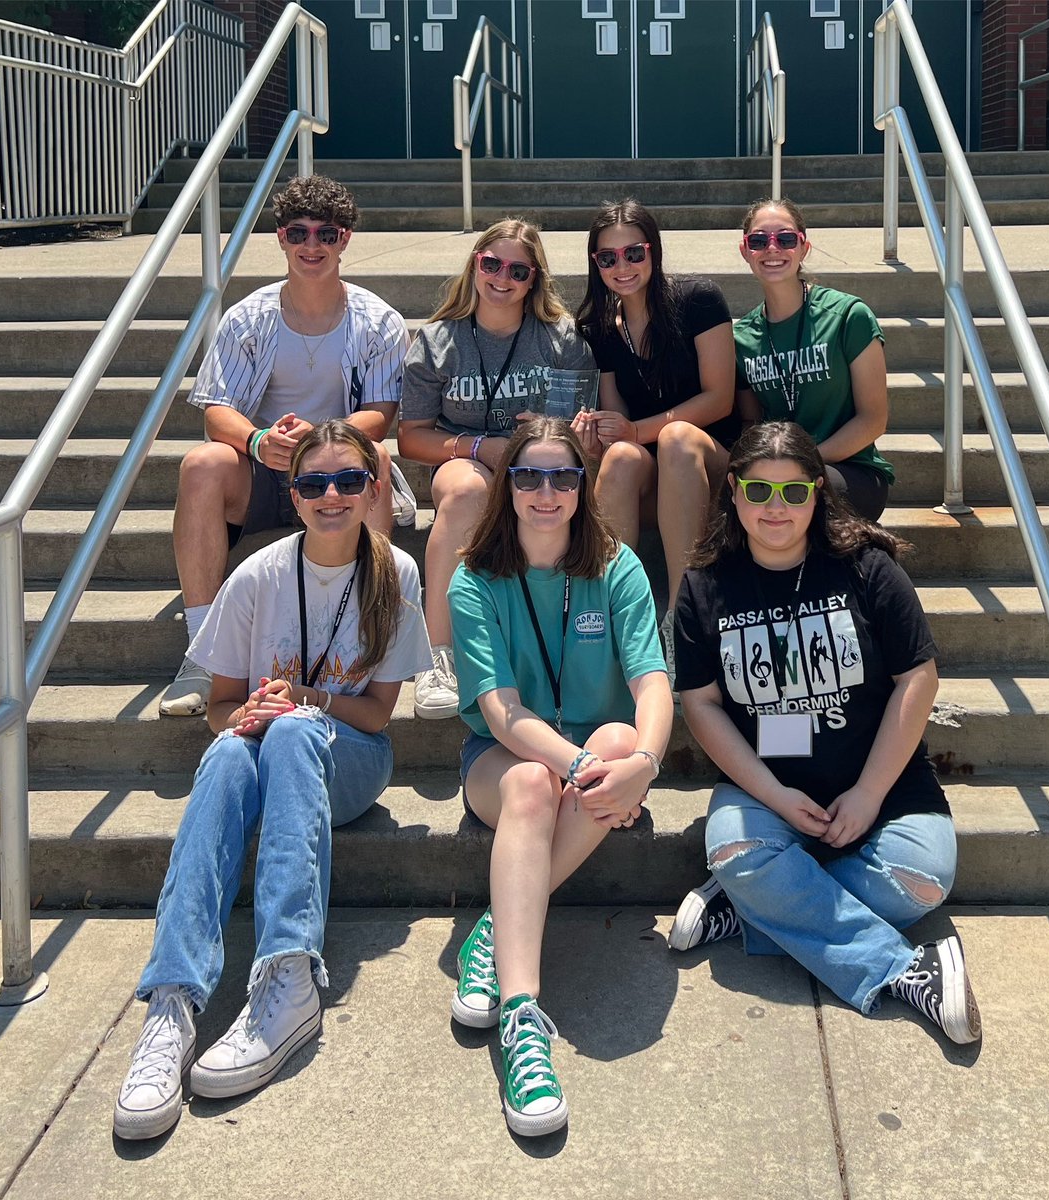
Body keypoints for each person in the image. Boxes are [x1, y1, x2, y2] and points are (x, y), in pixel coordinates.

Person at [113, 421, 431, 1141]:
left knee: (290, 731)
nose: (331, 495)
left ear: (373, 488)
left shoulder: (393, 573)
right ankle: (172, 1002)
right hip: (266, 757)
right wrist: (246, 711)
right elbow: (219, 708)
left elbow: (380, 717)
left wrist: (303, 703)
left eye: (349, 481)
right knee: (228, 753)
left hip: (350, 762)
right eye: (314, 482)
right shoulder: (256, 575)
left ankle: (288, 972)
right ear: (291, 495)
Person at [668, 421, 980, 1047]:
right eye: (759, 492)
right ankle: (905, 968)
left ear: (817, 491)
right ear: (733, 492)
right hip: (767, 782)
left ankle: (755, 905)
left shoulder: (868, 569)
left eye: (793, 492)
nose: (775, 509)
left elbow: (918, 680)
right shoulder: (704, 585)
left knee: (924, 879)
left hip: (879, 775)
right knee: (735, 850)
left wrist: (868, 793)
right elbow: (700, 705)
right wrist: (775, 796)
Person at [447, 417, 672, 1136]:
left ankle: (497, 925)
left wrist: (644, 764)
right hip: (503, 762)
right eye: (529, 476)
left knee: (617, 734)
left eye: (563, 476)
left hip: (599, 759)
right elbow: (501, 711)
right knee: (533, 783)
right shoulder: (474, 578)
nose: (547, 492)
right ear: (507, 485)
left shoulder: (617, 566)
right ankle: (522, 1019)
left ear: (582, 486)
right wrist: (576, 764)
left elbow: (653, 682)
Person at [161, 175, 414, 718]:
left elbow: (382, 413)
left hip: (336, 469)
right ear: (280, 238)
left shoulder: (379, 322)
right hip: (265, 468)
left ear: (345, 239)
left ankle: (369, 637)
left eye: (327, 233)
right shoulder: (248, 316)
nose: (312, 245)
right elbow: (215, 408)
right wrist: (257, 439)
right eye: (298, 232)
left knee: (380, 457)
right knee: (203, 462)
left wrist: (325, 442)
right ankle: (204, 655)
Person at [398, 219, 596, 721]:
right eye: (491, 264)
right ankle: (437, 657)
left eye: (517, 269)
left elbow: (579, 426)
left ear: (534, 279)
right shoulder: (438, 339)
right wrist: (479, 446)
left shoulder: (561, 340)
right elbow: (412, 436)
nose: (502, 277)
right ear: (475, 265)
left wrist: (553, 432)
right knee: (465, 491)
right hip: (463, 462)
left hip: (537, 469)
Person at [573, 199, 738, 685]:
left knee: (677, 439)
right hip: (654, 476)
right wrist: (599, 435)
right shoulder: (600, 327)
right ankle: (612, 618)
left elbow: (720, 399)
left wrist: (640, 431)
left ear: (654, 251)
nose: (621, 267)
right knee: (621, 457)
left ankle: (683, 617)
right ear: (595, 264)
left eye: (633, 253)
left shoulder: (698, 300)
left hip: (711, 465)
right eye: (607, 258)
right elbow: (618, 416)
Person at [733, 196, 893, 522]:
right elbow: (750, 423)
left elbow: (873, 419)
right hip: (774, 473)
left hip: (849, 470)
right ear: (745, 251)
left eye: (786, 239)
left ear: (804, 248)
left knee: (802, 498)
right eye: (759, 240)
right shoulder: (741, 338)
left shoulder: (849, 316)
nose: (772, 249)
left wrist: (804, 463)